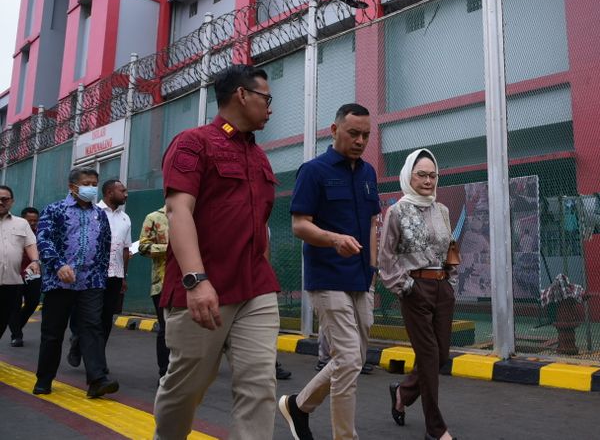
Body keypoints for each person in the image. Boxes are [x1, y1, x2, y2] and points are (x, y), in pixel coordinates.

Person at [153, 64, 281, 440]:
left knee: (260, 385)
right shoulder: (194, 143)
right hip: (203, 285)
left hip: (255, 288)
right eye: (266, 98)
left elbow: (260, 225)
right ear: (242, 94)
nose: (271, 107)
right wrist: (196, 280)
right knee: (186, 387)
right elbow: (178, 211)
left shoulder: (260, 157)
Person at [279, 103, 380, 440]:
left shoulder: (368, 173)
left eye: (366, 135)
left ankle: (298, 406)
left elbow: (372, 223)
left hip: (361, 278)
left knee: (354, 358)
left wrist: (373, 268)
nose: (360, 141)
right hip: (328, 278)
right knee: (348, 359)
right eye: (353, 133)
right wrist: (334, 239)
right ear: (334, 130)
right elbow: (299, 225)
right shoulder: (313, 171)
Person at [378, 149, 457, 440]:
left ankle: (403, 392)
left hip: (442, 288)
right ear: (408, 176)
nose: (427, 181)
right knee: (428, 356)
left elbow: (450, 246)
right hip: (415, 288)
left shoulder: (442, 210)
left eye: (432, 175)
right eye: (421, 175)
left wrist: (451, 280)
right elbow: (386, 257)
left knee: (441, 356)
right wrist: (405, 287)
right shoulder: (397, 211)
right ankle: (435, 429)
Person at [33, 167, 118, 398]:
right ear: (72, 187)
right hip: (59, 282)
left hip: (91, 282)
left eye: (94, 184)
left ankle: (98, 379)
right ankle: (44, 379)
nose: (91, 188)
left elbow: (105, 245)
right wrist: (58, 265)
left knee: (92, 328)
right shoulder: (55, 210)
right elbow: (44, 240)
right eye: (86, 183)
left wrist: (101, 276)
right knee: (53, 332)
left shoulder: (100, 214)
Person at [68, 179, 131, 366]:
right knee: (90, 317)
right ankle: (78, 342)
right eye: (122, 190)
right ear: (110, 192)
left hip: (115, 275)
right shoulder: (93, 213)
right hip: (93, 275)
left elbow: (126, 249)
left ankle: (97, 359)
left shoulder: (125, 218)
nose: (126, 194)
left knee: (106, 319)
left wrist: (123, 276)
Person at [0, 189, 40, 343]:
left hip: (13, 280)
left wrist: (35, 261)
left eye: (5, 199)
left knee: (4, 319)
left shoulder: (21, 224)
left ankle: (16, 330)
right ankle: (17, 335)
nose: (1, 202)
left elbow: (30, 244)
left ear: (12, 201)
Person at [137, 205, 170, 379]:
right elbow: (143, 247)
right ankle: (164, 374)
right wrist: (168, 248)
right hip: (162, 283)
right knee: (166, 328)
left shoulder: (196, 216)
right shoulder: (154, 217)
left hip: (191, 282)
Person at [8, 206, 41, 347]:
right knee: (14, 305)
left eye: (35, 220)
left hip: (33, 274)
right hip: (14, 273)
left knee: (33, 302)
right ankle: (16, 335)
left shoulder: (40, 234)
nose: (32, 223)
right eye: (29, 221)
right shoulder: (13, 233)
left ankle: (16, 326)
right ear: (23, 220)